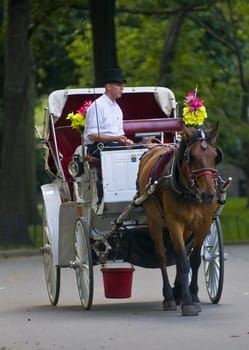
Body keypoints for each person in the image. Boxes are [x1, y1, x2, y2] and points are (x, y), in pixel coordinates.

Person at [83, 67, 133, 157]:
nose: (122, 88)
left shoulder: (117, 108)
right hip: (98, 147)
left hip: (114, 146)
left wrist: (126, 141)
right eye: (118, 85)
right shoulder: (98, 106)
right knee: (124, 152)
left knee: (141, 149)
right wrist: (116, 139)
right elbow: (92, 135)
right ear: (108, 86)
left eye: (122, 85)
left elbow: (119, 134)